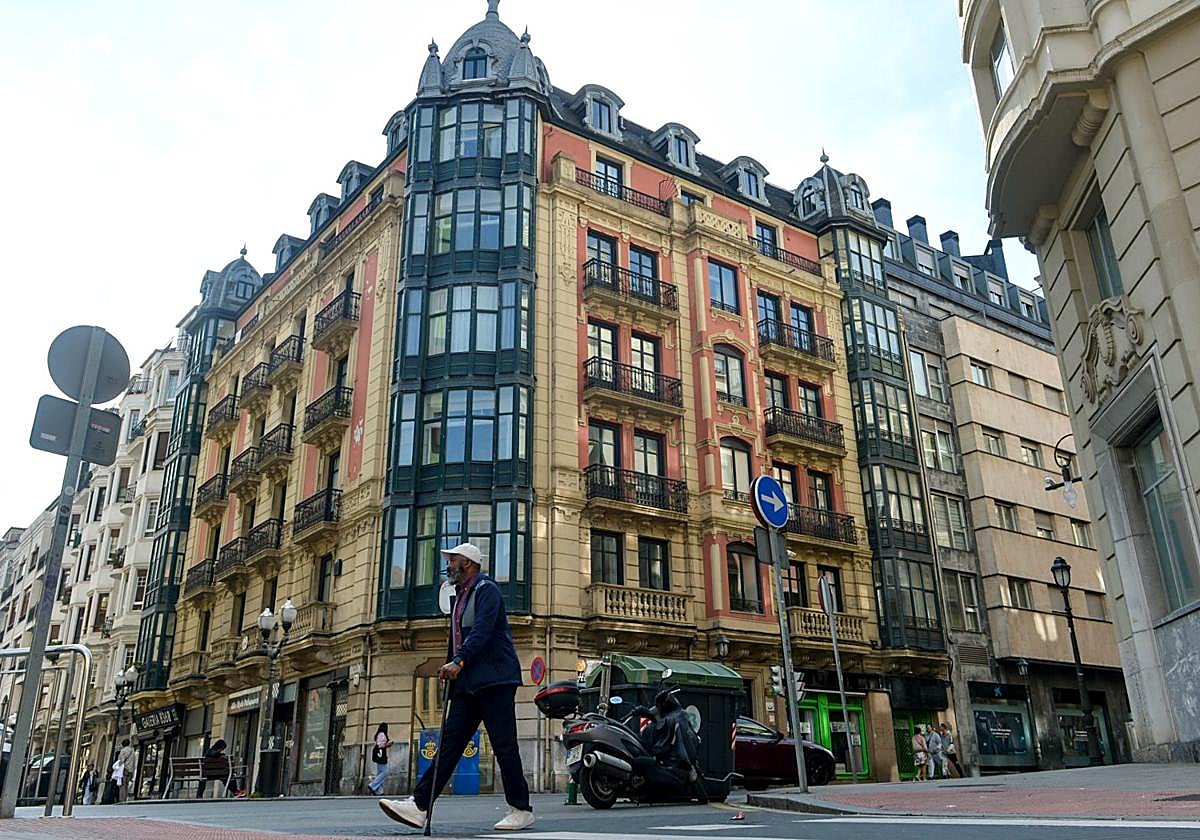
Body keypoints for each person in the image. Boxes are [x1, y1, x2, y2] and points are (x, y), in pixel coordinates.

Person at [379, 543, 534, 832]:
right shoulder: (460, 595)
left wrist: (458, 662)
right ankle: (419, 806)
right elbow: (458, 638)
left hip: (495, 679)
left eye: (452, 560)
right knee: (450, 743)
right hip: (468, 681)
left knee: (504, 746)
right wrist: (452, 665)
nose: (448, 565)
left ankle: (521, 809)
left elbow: (482, 632)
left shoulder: (487, 590)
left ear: (469, 563)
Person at [367, 723, 392, 795]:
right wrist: (389, 744)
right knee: (385, 772)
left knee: (379, 773)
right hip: (381, 754)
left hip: (379, 753)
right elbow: (381, 745)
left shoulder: (379, 734)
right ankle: (372, 785)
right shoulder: (382, 734)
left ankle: (379, 791)